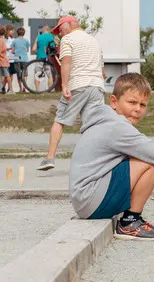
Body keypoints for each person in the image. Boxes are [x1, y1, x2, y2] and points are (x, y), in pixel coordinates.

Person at [69, 73, 154, 240]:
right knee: (153, 164)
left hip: (86, 200)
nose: (138, 109)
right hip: (91, 199)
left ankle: (131, 221)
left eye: (143, 105)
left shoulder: (110, 122)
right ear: (114, 102)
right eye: (132, 102)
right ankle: (130, 222)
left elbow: (143, 155)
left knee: (151, 161)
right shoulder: (117, 127)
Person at [37, 16, 106, 171]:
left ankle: (49, 158)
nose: (60, 33)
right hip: (96, 86)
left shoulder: (68, 39)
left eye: (60, 29)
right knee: (93, 125)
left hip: (78, 85)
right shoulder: (94, 41)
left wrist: (64, 85)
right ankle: (95, 163)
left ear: (69, 25)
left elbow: (66, 62)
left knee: (60, 120)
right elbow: (103, 70)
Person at [31, 25, 56, 92]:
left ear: (44, 29)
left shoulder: (38, 37)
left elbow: (33, 49)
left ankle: (37, 91)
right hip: (47, 58)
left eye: (42, 29)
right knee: (49, 75)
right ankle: (49, 90)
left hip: (39, 58)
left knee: (37, 75)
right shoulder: (51, 37)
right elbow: (53, 47)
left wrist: (38, 52)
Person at [10, 26, 31, 93]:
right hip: (25, 59)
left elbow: (13, 51)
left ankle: (21, 89)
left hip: (17, 59)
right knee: (25, 74)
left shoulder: (14, 41)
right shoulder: (26, 41)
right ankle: (25, 87)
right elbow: (27, 50)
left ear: (17, 33)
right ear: (24, 33)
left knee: (19, 75)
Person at [0, 29, 9, 94]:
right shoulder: (2, 40)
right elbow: (3, 50)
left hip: (2, 60)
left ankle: (3, 88)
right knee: (6, 75)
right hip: (3, 60)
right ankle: (6, 88)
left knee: (4, 75)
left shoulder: (1, 40)